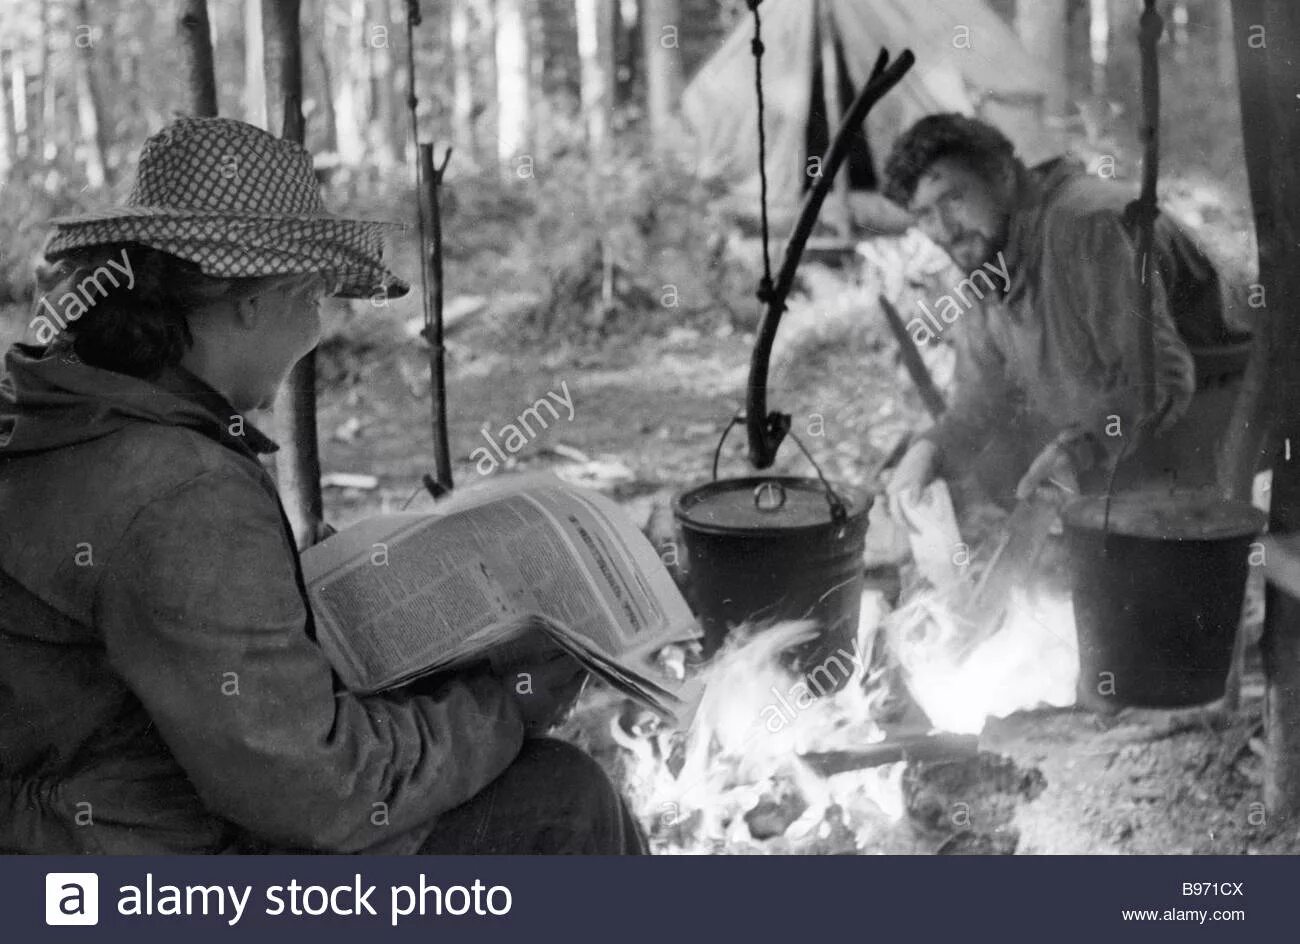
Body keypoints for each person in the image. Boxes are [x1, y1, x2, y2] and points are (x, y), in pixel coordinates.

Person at [0, 116, 643, 855]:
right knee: (563, 801)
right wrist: (507, 705)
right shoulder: (183, 489)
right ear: (250, 300)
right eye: (311, 299)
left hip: (59, 836)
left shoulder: (62, 409)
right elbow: (320, 790)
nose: (317, 328)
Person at [878, 113, 1250, 513]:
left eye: (954, 199)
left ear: (1002, 174)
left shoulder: (1088, 228)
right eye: (925, 215)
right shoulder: (988, 257)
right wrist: (928, 451)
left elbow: (1158, 378)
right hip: (1131, 467)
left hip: (1216, 461)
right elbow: (983, 398)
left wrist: (1079, 452)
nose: (945, 231)